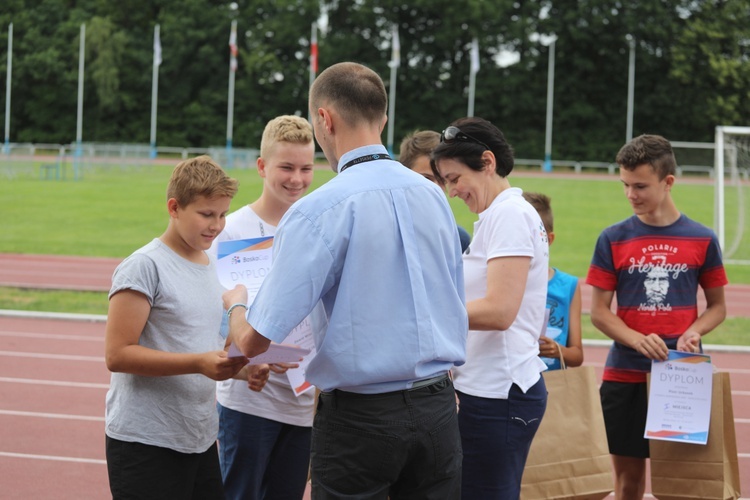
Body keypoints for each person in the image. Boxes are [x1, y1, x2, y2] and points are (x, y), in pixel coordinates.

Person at [223, 61, 468, 499]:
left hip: (362, 419)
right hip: (438, 408)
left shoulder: (320, 209)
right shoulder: (433, 195)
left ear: (325, 119)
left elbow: (256, 340)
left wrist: (236, 305)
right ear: (384, 118)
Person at [586, 134, 728, 500]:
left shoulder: (703, 238)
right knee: (627, 483)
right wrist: (635, 338)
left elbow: (717, 307)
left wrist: (694, 331)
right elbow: (599, 312)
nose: (631, 194)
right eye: (625, 185)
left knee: (684, 485)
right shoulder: (612, 238)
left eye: (640, 186)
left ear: (668, 183)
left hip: (682, 378)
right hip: (625, 374)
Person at [104, 155, 252, 499]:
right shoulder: (143, 267)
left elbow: (202, 342)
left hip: (198, 439)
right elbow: (117, 354)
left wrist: (243, 371)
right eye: (206, 214)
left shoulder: (212, 264)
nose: (216, 225)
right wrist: (199, 363)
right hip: (145, 442)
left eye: (222, 214)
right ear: (174, 207)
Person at [430, 116, 549, 499]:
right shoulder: (496, 216)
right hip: (489, 390)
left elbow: (500, 311)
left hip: (499, 393)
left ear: (487, 162)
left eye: (454, 178)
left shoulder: (510, 215)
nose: (451, 191)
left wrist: (426, 316)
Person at [209, 115, 319, 500]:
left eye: (306, 168)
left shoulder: (317, 229)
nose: (297, 179)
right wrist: (250, 356)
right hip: (249, 401)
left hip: (305, 400)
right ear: (262, 166)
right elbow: (215, 317)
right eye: (286, 167)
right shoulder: (231, 231)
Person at [522, 191, 583, 370]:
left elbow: (577, 356)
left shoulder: (568, 286)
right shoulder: (501, 283)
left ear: (548, 239)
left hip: (553, 384)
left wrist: (556, 350)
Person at [399, 129, 472, 252]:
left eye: (443, 180)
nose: (436, 188)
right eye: (426, 178)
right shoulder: (384, 232)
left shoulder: (458, 239)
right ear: (402, 175)